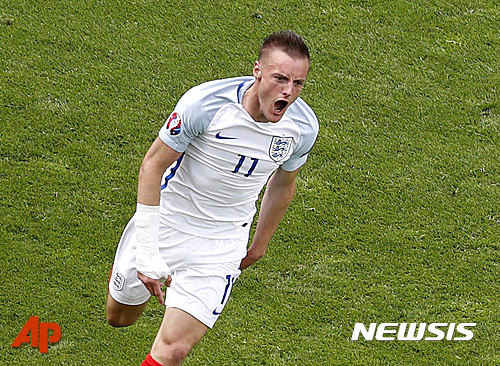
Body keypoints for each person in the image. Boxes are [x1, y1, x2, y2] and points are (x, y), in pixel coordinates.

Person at [106, 30, 319, 366]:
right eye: (280, 79)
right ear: (257, 71)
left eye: (298, 83)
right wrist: (146, 251)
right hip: (168, 223)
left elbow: (283, 182)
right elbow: (153, 164)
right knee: (119, 318)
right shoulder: (205, 104)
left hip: (222, 243)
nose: (289, 92)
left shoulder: (302, 127)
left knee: (174, 350)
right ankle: (129, 265)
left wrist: (260, 242)